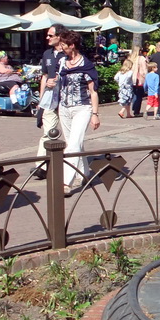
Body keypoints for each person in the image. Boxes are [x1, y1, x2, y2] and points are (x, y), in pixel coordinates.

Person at [56, 30, 100, 195]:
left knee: (74, 144)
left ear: (72, 45)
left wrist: (95, 114)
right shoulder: (61, 62)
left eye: (63, 44)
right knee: (73, 143)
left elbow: (93, 91)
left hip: (82, 107)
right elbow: (57, 81)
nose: (61, 47)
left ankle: (66, 182)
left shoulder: (86, 65)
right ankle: (85, 173)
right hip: (64, 108)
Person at [33, 24, 65, 178]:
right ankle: (41, 166)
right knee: (48, 132)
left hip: (66, 99)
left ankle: (73, 169)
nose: (47, 38)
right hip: (50, 99)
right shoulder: (47, 54)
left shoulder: (69, 53)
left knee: (69, 135)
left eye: (50, 35)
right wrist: (41, 99)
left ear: (59, 36)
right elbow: (44, 76)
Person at [130, 48, 148, 117]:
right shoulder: (142, 59)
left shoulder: (131, 58)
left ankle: (134, 108)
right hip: (139, 79)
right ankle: (136, 111)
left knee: (134, 94)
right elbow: (144, 70)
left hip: (132, 78)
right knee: (139, 95)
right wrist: (146, 78)